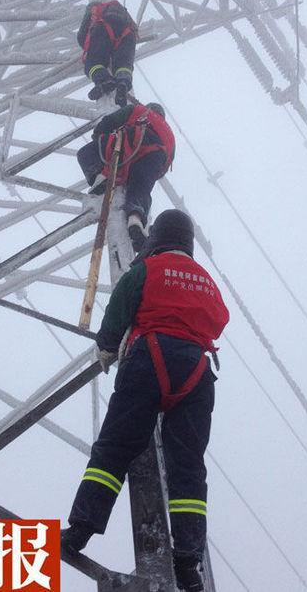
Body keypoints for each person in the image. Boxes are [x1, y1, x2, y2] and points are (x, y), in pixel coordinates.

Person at [61, 210, 230, 592]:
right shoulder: (206, 282)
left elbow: (121, 303)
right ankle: (188, 562)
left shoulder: (149, 267)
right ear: (188, 242)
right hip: (196, 373)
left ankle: (80, 530)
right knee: (187, 468)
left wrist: (107, 346)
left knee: (116, 448)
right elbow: (219, 320)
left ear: (158, 236)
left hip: (149, 359)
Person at [77, 101, 175, 252]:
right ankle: (135, 220)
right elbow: (163, 170)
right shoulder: (170, 136)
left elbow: (111, 121)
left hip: (130, 143)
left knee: (85, 154)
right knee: (140, 190)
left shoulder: (140, 110)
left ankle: (100, 179)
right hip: (155, 157)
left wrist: (98, 135)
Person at [77, 0, 138, 107]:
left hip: (103, 30)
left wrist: (90, 48)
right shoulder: (122, 13)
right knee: (124, 65)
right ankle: (123, 82)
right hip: (128, 34)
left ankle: (104, 81)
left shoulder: (94, 11)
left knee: (93, 64)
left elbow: (81, 37)